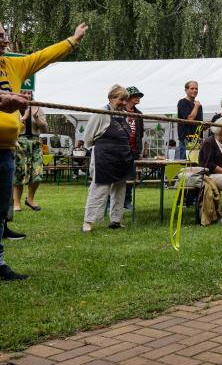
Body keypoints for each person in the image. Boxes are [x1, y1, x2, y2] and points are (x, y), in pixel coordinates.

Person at [0, 22, 87, 280]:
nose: (4, 41)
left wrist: (72, 40)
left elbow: (43, 57)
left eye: (4, 36)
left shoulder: (14, 65)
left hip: (5, 151)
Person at [82, 85, 135, 232]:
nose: (124, 103)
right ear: (111, 98)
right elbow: (88, 138)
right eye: (120, 99)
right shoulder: (100, 112)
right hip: (105, 156)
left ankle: (116, 221)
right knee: (99, 189)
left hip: (122, 157)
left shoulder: (124, 115)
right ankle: (88, 222)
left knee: (120, 189)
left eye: (125, 100)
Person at [12, 90, 47, 215]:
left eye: (29, 93)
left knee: (37, 172)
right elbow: (12, 126)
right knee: (19, 173)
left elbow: (44, 127)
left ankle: (30, 199)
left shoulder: (37, 107)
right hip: (19, 141)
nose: (27, 95)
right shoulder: (13, 107)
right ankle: (16, 202)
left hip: (35, 142)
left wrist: (36, 117)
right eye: (23, 92)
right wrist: (24, 117)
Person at [121, 86, 145, 210]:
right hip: (120, 149)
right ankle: (110, 202)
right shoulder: (119, 111)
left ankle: (127, 201)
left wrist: (139, 151)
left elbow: (140, 134)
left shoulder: (139, 114)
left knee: (130, 176)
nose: (138, 98)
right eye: (136, 95)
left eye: (139, 96)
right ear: (129, 97)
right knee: (117, 175)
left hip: (134, 150)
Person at [176, 81, 202, 159]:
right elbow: (190, 119)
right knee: (186, 164)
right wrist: (196, 106)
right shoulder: (182, 102)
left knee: (196, 164)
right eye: (192, 88)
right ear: (186, 90)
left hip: (197, 139)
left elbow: (199, 122)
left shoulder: (198, 104)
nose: (195, 90)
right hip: (186, 139)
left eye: (196, 89)